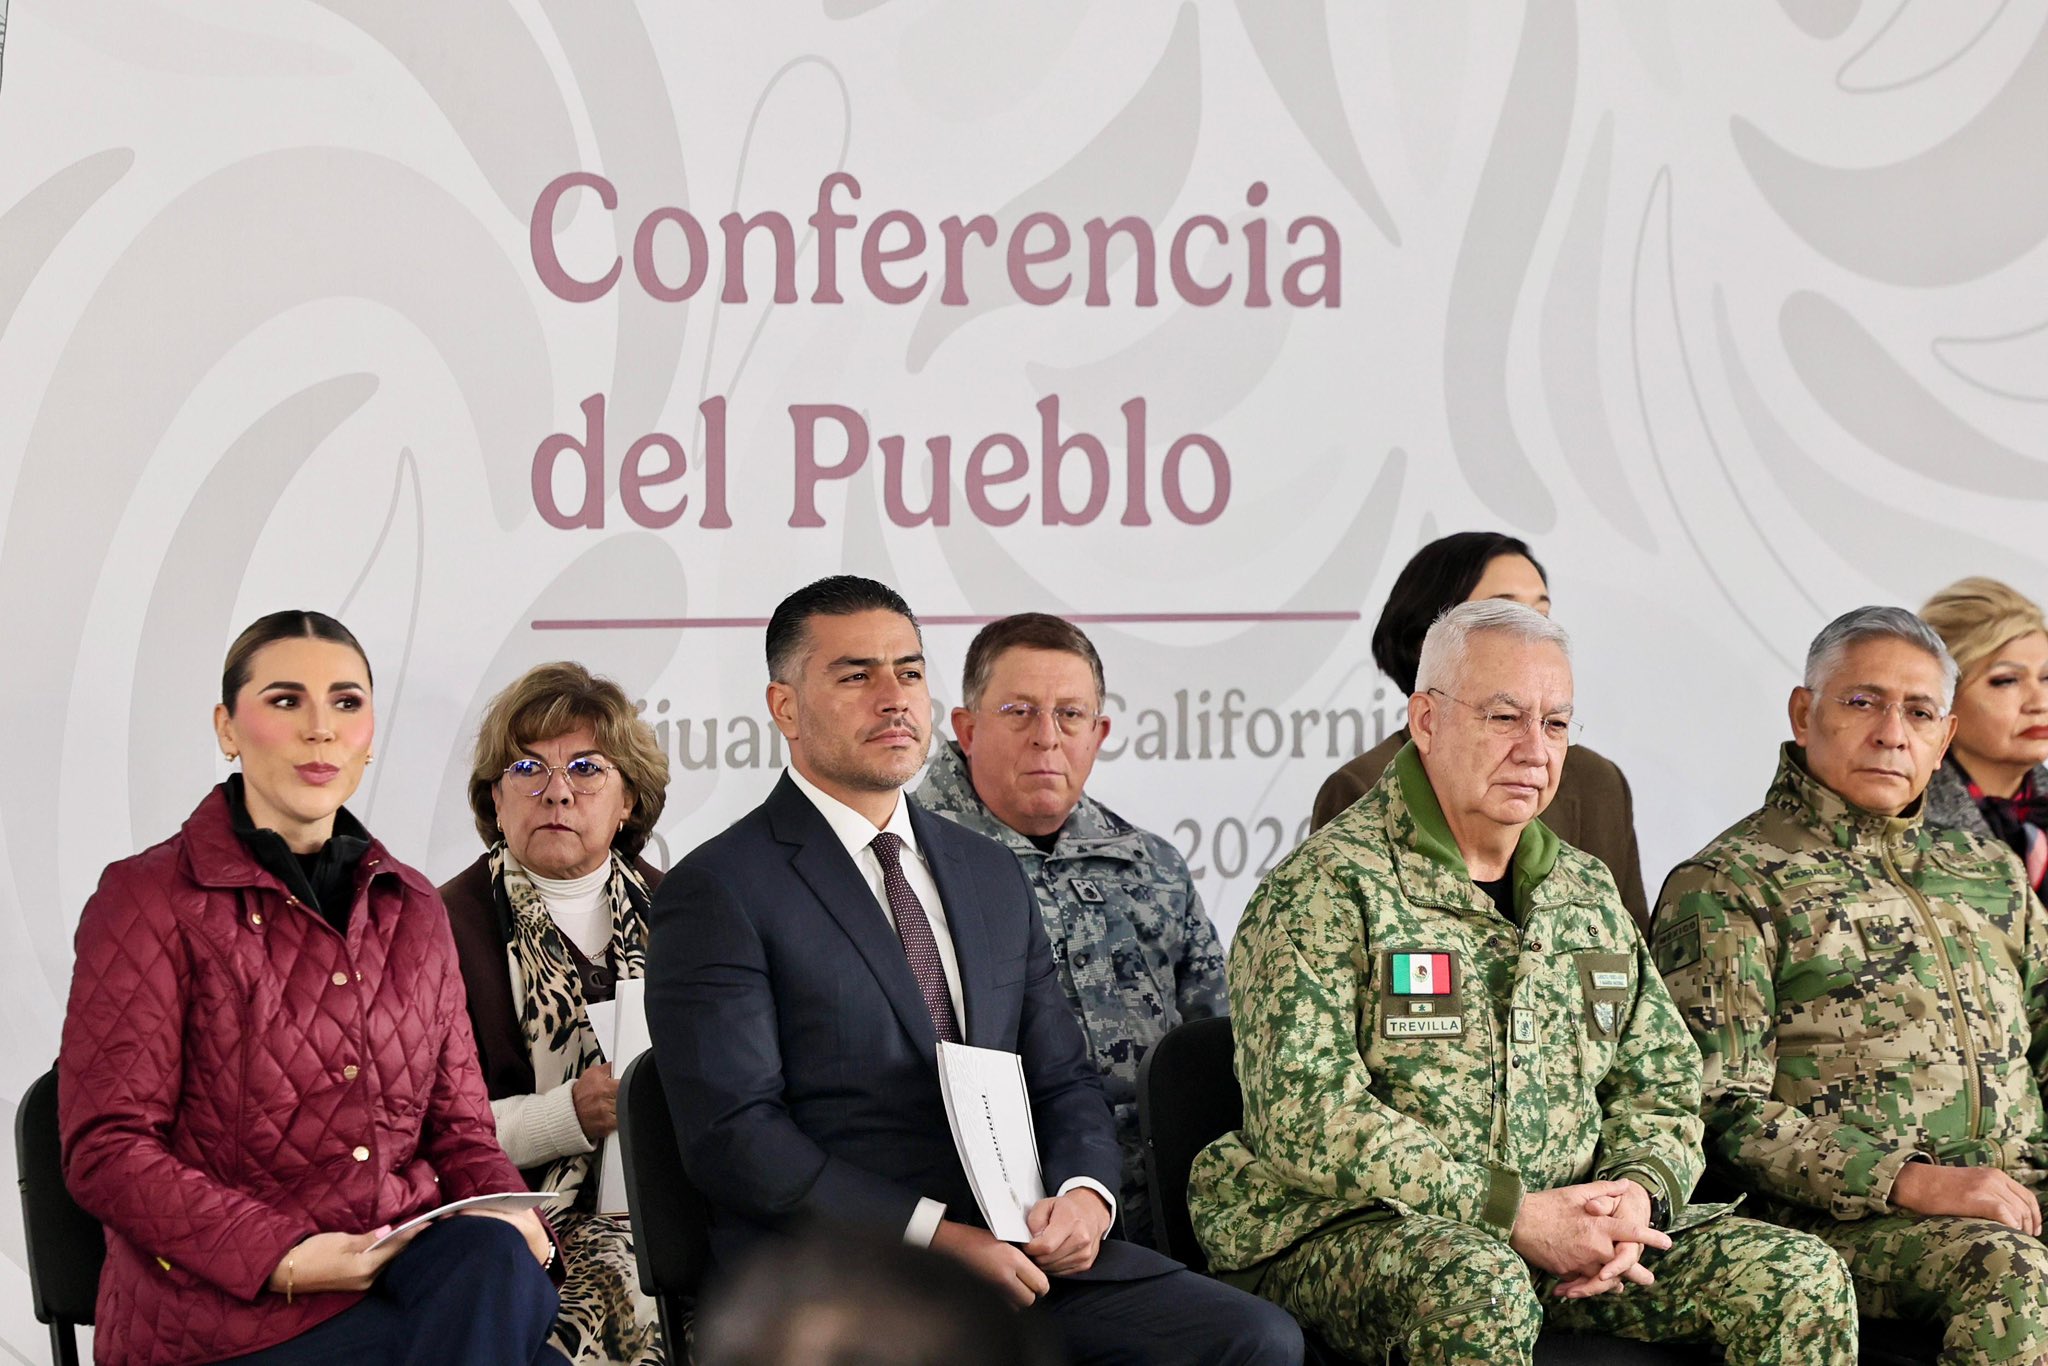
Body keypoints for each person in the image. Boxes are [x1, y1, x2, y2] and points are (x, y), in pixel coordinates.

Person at [646, 576, 1303, 1366]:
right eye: (856, 675)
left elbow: (1063, 1079)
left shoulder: (987, 872)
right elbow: (736, 1139)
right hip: (840, 1272)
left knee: (1255, 1339)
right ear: (784, 707)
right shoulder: (722, 886)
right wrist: (939, 1238)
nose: (893, 698)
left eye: (911, 672)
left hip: (1025, 1250)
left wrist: (1086, 1199)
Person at [1193, 599, 1858, 1366]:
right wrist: (1512, 1215)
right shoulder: (1326, 889)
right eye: (1505, 717)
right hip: (1350, 1231)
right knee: (1483, 1284)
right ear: (1426, 720)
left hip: (1571, 1225)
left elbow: (1663, 1082)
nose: (1535, 750)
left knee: (1800, 1276)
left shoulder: (1585, 892)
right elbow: (1308, 1116)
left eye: (1555, 724)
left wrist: (1634, 1195)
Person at [58, 610, 562, 1366]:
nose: (321, 729)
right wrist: (284, 1256)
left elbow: (460, 1132)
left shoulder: (413, 906)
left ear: (368, 736)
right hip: (227, 1315)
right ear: (228, 728)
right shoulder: (148, 898)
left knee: (495, 1260)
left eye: (347, 703)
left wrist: (506, 1209)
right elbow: (108, 1150)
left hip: (407, 1278)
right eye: (286, 700)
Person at [1655, 605, 2048, 1364]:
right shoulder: (1729, 881)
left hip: (2018, 1190)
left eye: (1920, 712)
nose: (1891, 732)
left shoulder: (1989, 874)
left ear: (1944, 737)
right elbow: (1719, 1111)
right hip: (1842, 1220)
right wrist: (1909, 1181)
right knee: (2014, 1275)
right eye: (1862, 701)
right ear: (1805, 713)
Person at [914, 612, 1225, 1247]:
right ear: (967, 730)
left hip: (1169, 1208)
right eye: (1019, 711)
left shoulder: (1153, 866)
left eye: (1070, 715)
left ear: (1099, 732)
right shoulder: (906, 861)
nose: (1046, 737)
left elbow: (1215, 1046)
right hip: (993, 1226)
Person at [442, 661, 672, 1365]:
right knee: (623, 1280)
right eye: (526, 768)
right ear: (495, 799)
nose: (557, 792)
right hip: (513, 1226)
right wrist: (568, 1115)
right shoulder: (439, 926)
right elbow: (423, 1135)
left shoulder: (689, 912)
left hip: (673, 1210)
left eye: (586, 768)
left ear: (628, 798)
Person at [1311, 530, 1649, 926]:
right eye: (1503, 613)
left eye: (1541, 613)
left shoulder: (1598, 783)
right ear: (1432, 639)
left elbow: (1631, 961)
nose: (1530, 632)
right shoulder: (1360, 786)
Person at [694, 1232, 1062, 1366]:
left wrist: (1086, 1193)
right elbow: (741, 1133)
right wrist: (934, 1232)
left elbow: (1066, 1085)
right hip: (827, 1243)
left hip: (1044, 1255)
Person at [1920, 577, 2048, 892]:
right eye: (2006, 681)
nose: (2040, 702)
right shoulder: (1900, 826)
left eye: (2047, 677)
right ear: (1944, 697)